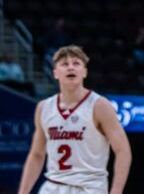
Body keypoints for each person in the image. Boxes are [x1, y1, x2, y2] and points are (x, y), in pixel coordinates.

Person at [17, 45, 132, 193]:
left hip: (89, 188)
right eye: (65, 64)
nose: (70, 67)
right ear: (55, 73)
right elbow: (37, 155)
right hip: (53, 186)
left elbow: (123, 150)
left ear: (84, 72)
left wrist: (116, 191)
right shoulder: (44, 107)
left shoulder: (100, 105)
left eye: (76, 63)